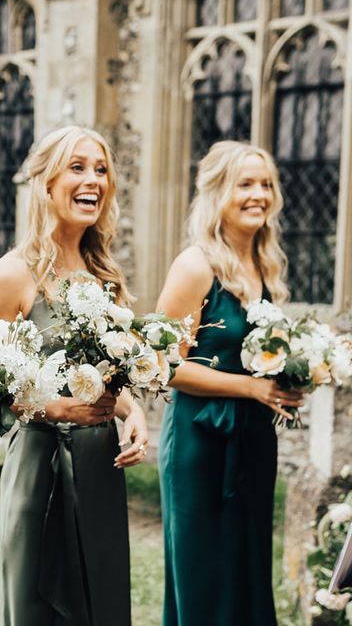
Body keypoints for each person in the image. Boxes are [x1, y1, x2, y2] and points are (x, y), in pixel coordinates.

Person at [0, 125, 148, 626]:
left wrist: (133, 409)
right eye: (77, 167)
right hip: (40, 465)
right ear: (45, 183)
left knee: (102, 600)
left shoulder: (106, 274)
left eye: (100, 170)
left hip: (100, 463)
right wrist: (54, 408)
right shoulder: (13, 274)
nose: (92, 180)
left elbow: (104, 376)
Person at [157, 141, 303, 626]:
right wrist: (252, 390)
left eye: (266, 184)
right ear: (218, 191)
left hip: (254, 440)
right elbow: (163, 365)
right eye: (245, 184)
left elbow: (260, 359)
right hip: (201, 445)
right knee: (205, 575)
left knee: (248, 568)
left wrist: (291, 376)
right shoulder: (196, 266)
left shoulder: (266, 267)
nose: (259, 194)